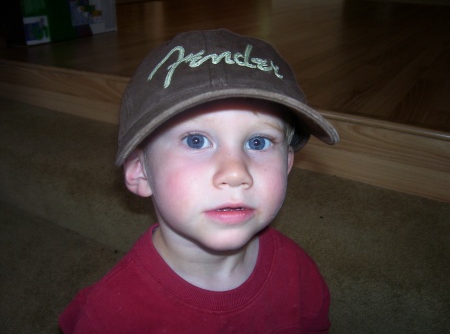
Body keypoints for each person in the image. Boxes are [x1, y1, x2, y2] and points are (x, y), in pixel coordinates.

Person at [59, 28, 339, 334]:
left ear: (287, 164)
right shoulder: (109, 317)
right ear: (141, 171)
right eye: (195, 140)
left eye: (258, 142)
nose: (235, 172)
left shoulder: (299, 273)